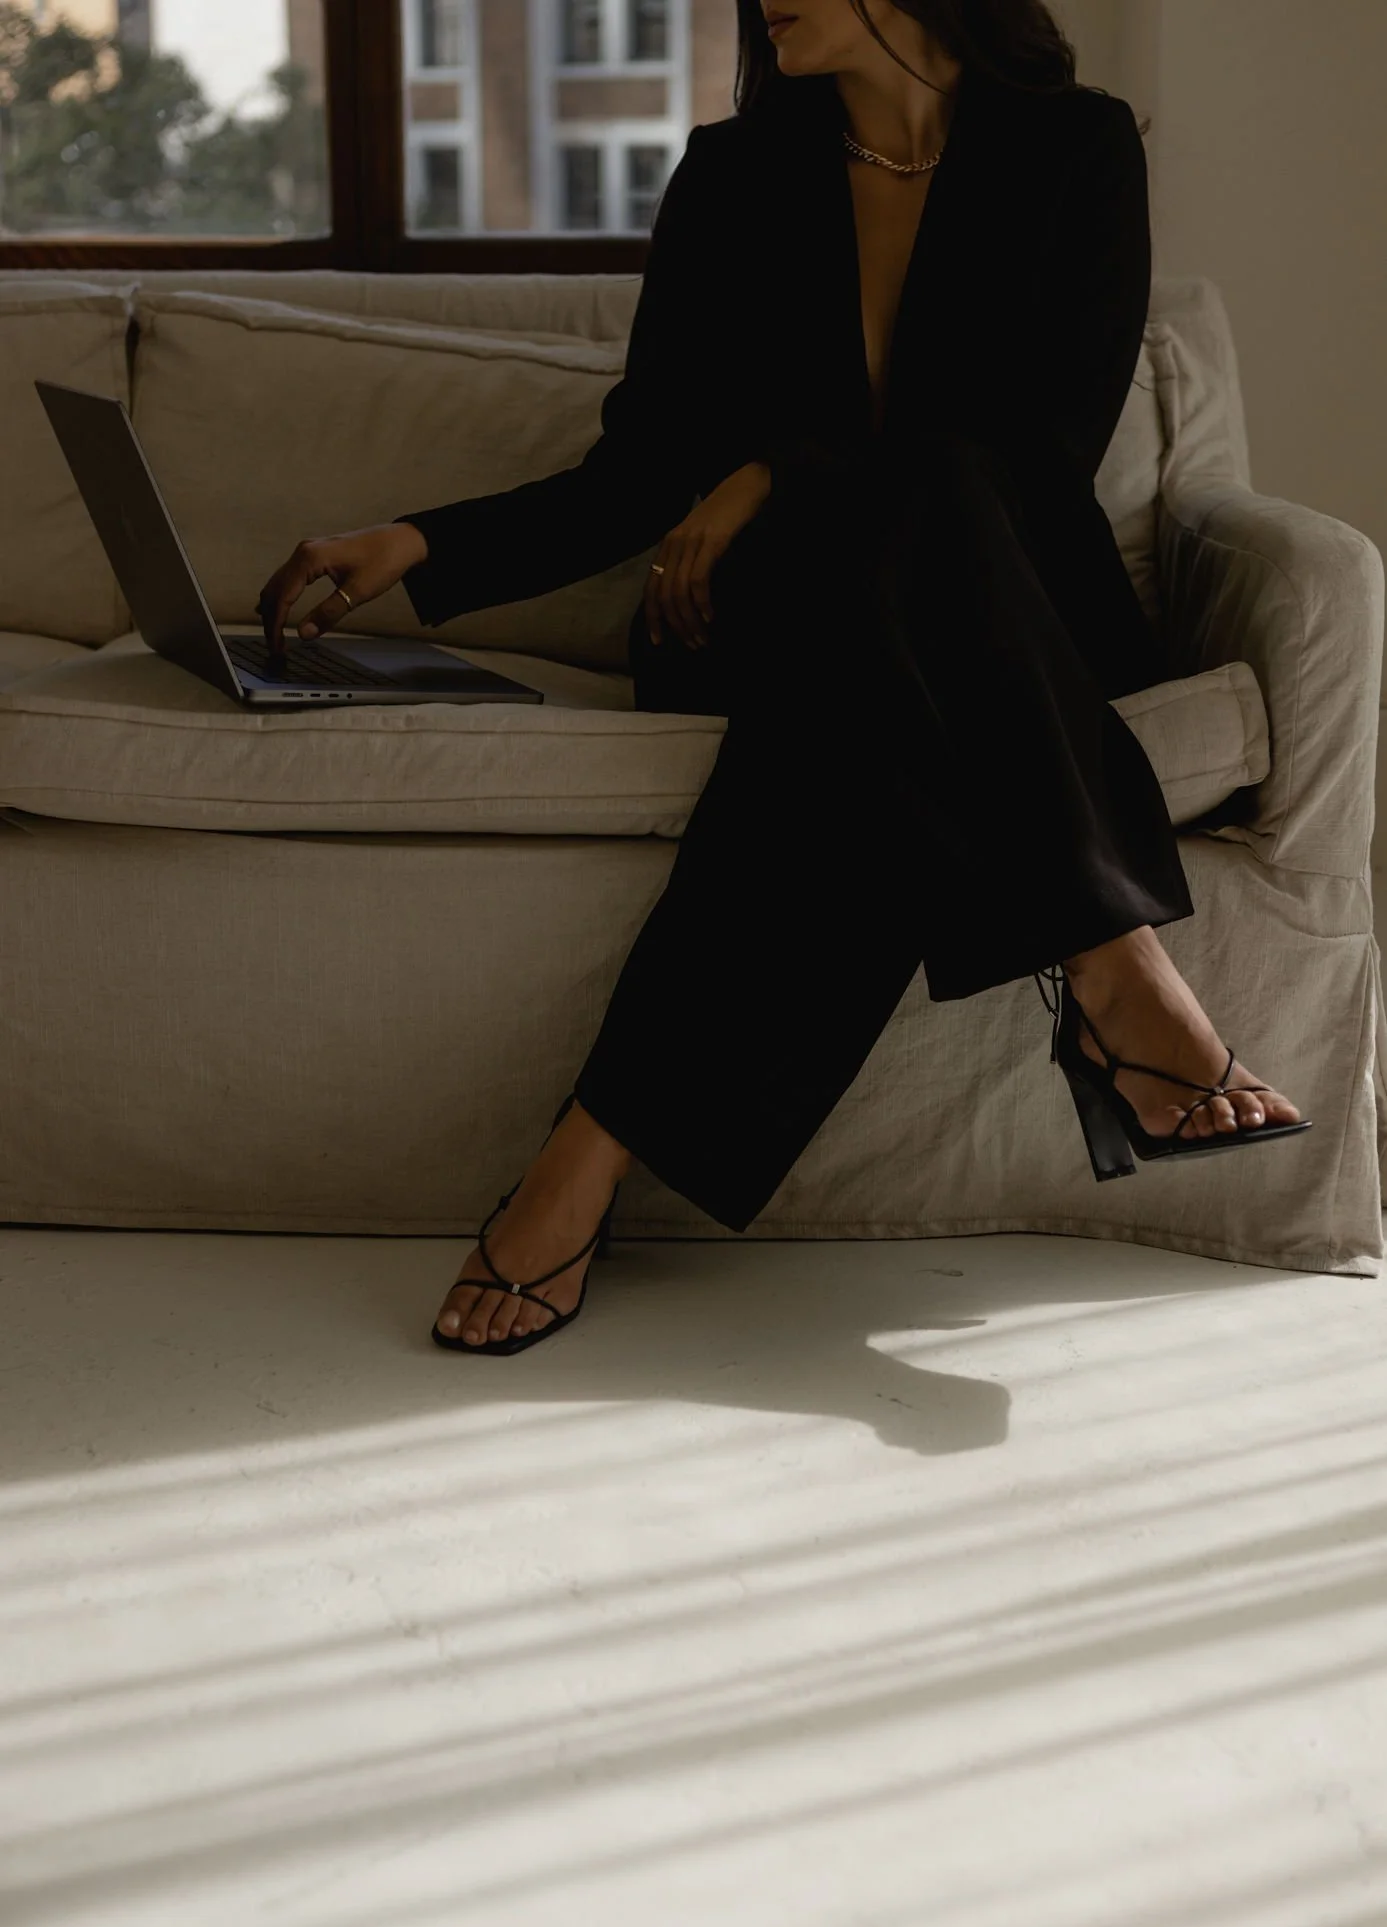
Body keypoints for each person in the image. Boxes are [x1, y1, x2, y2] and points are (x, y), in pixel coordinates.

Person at [258, 0, 1307, 1358]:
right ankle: (1110, 962)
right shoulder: (734, 175)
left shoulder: (1076, 149)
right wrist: (418, 542)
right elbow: (638, 470)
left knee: (883, 620)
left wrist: (778, 472)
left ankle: (582, 1157)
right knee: (852, 639)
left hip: (1005, 611)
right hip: (773, 616)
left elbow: (1035, 444)